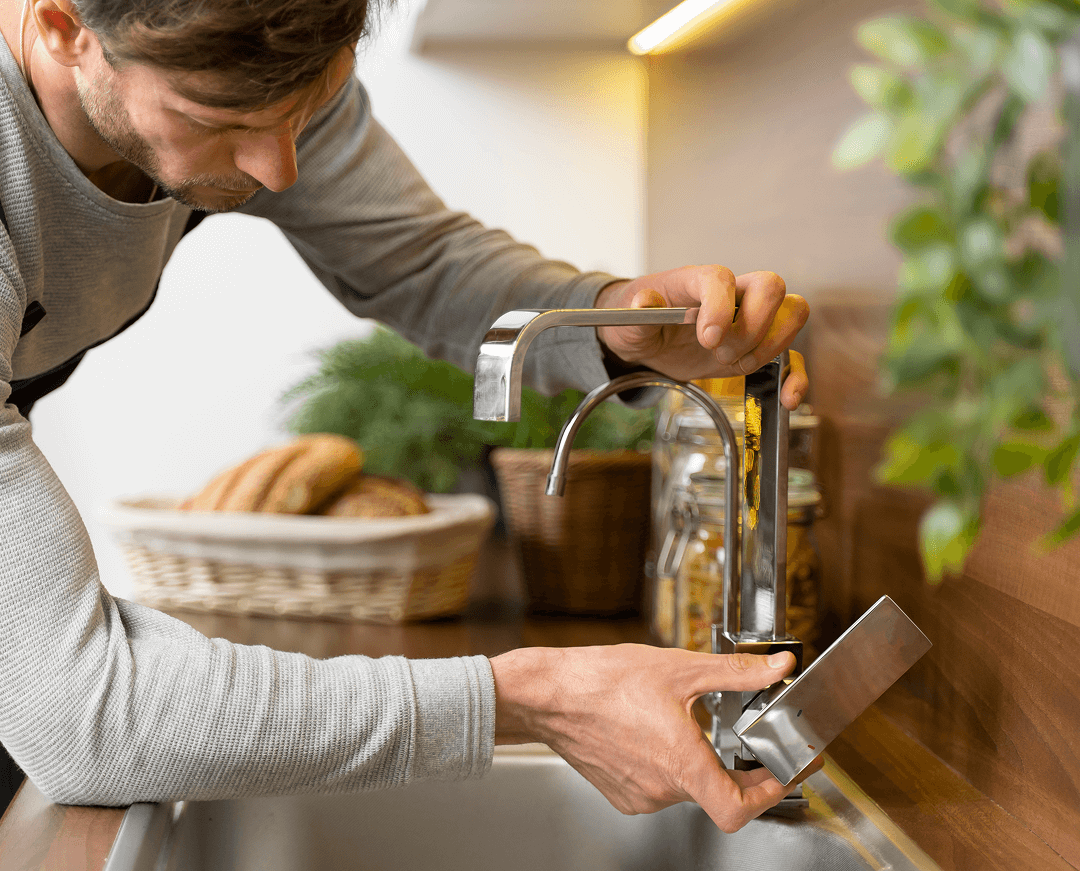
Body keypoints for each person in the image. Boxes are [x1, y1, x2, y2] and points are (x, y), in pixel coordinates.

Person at [0, 0, 815, 834]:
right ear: (64, 26)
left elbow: (416, 258)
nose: (280, 169)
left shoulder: (257, 70)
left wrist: (609, 324)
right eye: (223, 121)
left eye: (310, 106)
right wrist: (525, 698)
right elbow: (82, 712)